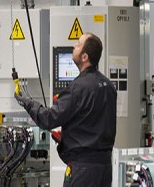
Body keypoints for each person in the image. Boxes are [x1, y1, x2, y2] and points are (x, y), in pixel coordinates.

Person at [15, 32, 117, 187]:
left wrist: (27, 102)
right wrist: (68, 136)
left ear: (85, 57)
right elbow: (92, 123)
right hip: (105, 168)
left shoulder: (78, 88)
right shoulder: (109, 86)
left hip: (83, 169)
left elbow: (48, 119)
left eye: (78, 44)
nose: (74, 46)